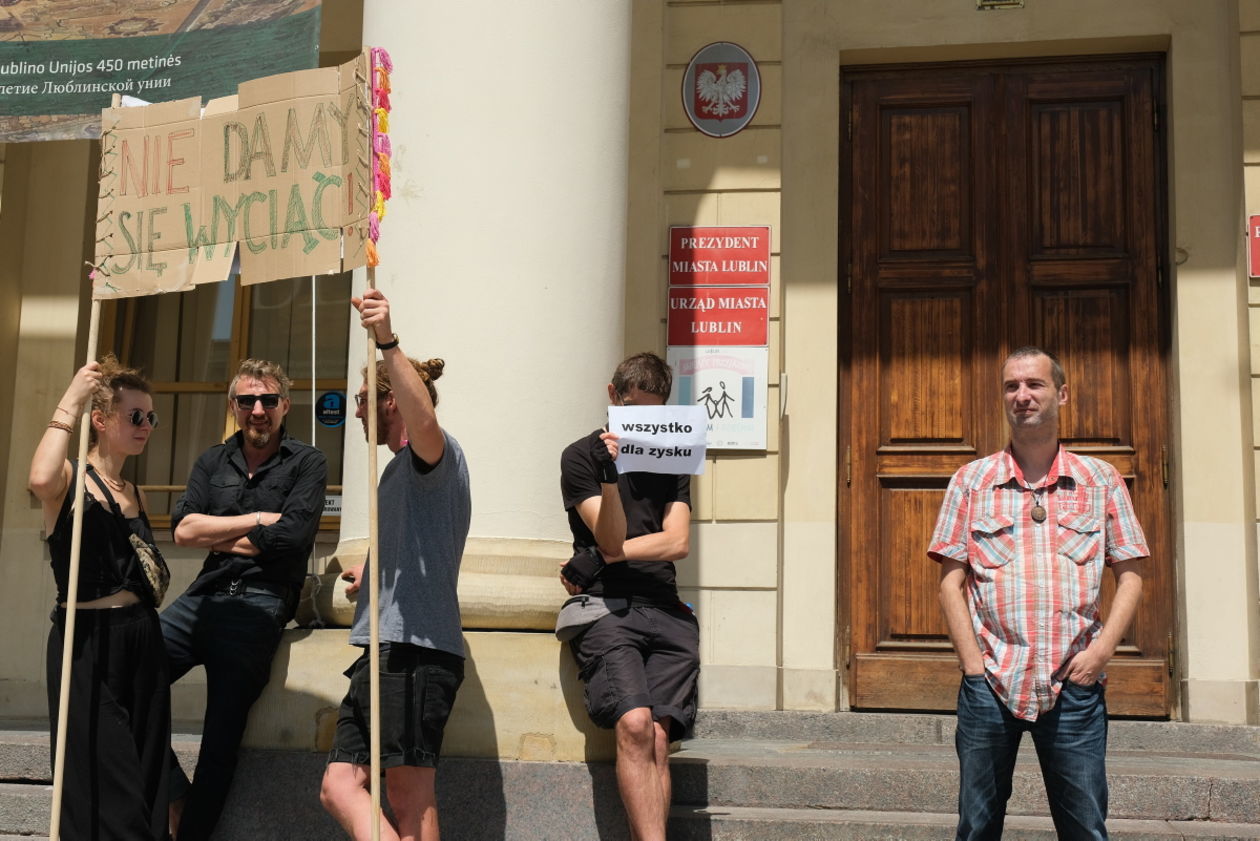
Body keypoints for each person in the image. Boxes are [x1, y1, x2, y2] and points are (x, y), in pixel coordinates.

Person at [928, 346, 1148, 841]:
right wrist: (971, 665)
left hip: (1075, 684)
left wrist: (1100, 653)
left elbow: (1131, 574)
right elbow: (950, 580)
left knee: (1086, 829)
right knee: (977, 827)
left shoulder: (1100, 480)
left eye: (1035, 384)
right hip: (991, 684)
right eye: (1012, 386)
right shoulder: (972, 481)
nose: (1022, 396)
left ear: (1062, 394)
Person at [320, 288, 471, 841]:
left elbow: (424, 421)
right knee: (338, 785)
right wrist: (368, 576)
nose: (355, 409)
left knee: (410, 801)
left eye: (364, 398)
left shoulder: (433, 454)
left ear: (391, 402)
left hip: (415, 651)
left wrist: (387, 341)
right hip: (382, 648)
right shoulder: (394, 476)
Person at [162, 359, 327, 841]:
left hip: (261, 603)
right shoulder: (212, 461)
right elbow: (181, 529)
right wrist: (257, 517)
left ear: (284, 406)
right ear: (233, 406)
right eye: (248, 400)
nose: (258, 410)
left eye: (268, 400)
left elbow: (292, 540)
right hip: (203, 596)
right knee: (120, 674)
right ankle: (176, 795)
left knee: (220, 739)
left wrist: (211, 534)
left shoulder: (308, 462)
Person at [558, 351, 698, 841]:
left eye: (654, 413)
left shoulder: (672, 453)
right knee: (636, 724)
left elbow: (676, 543)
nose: (645, 422)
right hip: (608, 610)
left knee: (659, 736)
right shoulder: (580, 456)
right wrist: (611, 479)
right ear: (613, 396)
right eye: (635, 410)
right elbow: (614, 536)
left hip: (666, 607)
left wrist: (598, 557)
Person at [29, 357, 169, 840]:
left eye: (151, 417)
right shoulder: (69, 481)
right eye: (135, 416)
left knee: (147, 773)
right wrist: (71, 397)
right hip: (85, 642)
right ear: (102, 419)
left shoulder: (136, 493)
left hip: (142, 638)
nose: (145, 426)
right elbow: (40, 480)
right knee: (104, 778)